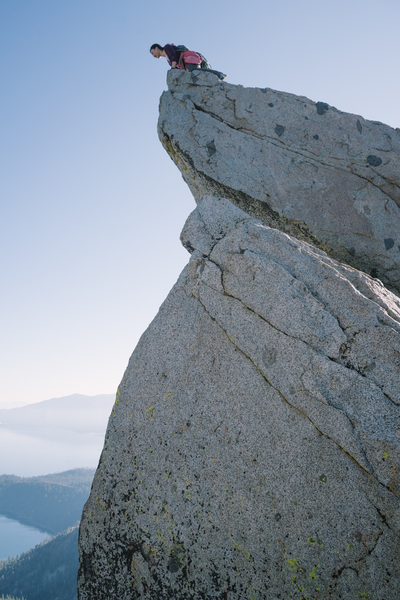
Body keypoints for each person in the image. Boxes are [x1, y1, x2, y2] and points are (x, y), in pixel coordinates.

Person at [150, 43, 227, 81]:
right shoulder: (168, 60)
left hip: (189, 57)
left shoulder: (167, 47)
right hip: (187, 62)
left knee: (195, 71)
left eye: (152, 52)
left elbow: (174, 56)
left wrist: (172, 68)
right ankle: (217, 78)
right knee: (195, 73)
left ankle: (219, 74)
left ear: (156, 48)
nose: (153, 55)